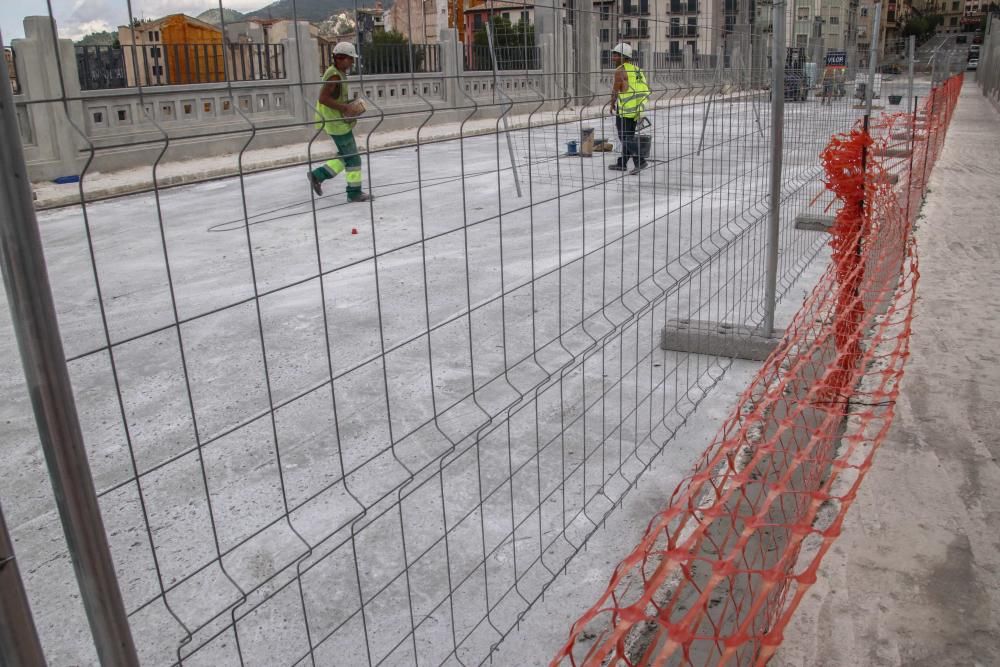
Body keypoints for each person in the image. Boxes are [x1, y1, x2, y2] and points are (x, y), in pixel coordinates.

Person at [308, 41, 372, 202]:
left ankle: (317, 176)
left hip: (335, 121)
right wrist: (345, 108)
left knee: (345, 156)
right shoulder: (335, 75)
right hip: (336, 123)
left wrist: (349, 103)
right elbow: (323, 99)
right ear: (340, 58)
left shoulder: (337, 73)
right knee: (354, 159)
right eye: (350, 59)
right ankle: (354, 193)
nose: (352, 62)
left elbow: (335, 97)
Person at [608, 42, 651, 175]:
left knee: (625, 137)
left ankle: (640, 160)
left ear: (622, 56)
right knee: (629, 136)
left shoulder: (620, 70)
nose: (613, 57)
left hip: (626, 110)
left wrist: (612, 103)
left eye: (615, 55)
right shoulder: (637, 70)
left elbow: (616, 89)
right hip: (637, 108)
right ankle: (622, 163)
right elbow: (643, 88)